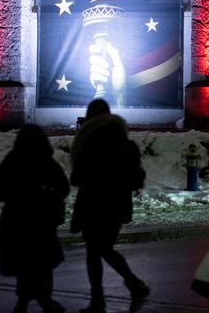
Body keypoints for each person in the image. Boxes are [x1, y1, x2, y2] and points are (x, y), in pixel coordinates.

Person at [70, 99, 149, 313]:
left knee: (96, 250)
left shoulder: (89, 142)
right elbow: (137, 177)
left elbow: (77, 178)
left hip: (93, 203)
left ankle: (104, 297)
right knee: (101, 248)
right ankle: (130, 285)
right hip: (117, 205)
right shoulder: (126, 144)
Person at [0, 124, 70, 313]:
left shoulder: (13, 160)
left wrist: (17, 195)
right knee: (43, 264)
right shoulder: (46, 161)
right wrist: (46, 194)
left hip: (16, 222)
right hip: (41, 223)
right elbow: (63, 188)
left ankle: (25, 301)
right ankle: (44, 299)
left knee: (24, 265)